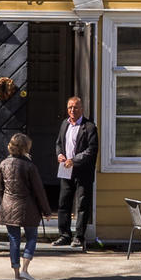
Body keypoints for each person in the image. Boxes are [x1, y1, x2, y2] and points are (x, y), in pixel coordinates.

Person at [0, 132, 52, 280]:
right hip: (28, 208)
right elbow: (39, 191)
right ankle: (25, 270)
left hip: (8, 206)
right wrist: (47, 211)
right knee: (32, 237)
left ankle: (16, 276)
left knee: (14, 240)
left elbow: (0, 188)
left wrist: (4, 204)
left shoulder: (3, 164)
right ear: (25, 148)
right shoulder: (30, 166)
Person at [53, 95, 99, 248]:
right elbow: (59, 143)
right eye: (70, 107)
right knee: (63, 204)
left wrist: (74, 160)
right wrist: (60, 154)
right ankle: (64, 235)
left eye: (75, 107)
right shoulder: (64, 124)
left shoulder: (90, 127)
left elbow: (91, 150)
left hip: (83, 172)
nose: (72, 110)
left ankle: (79, 237)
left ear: (82, 109)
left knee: (82, 206)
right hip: (66, 171)